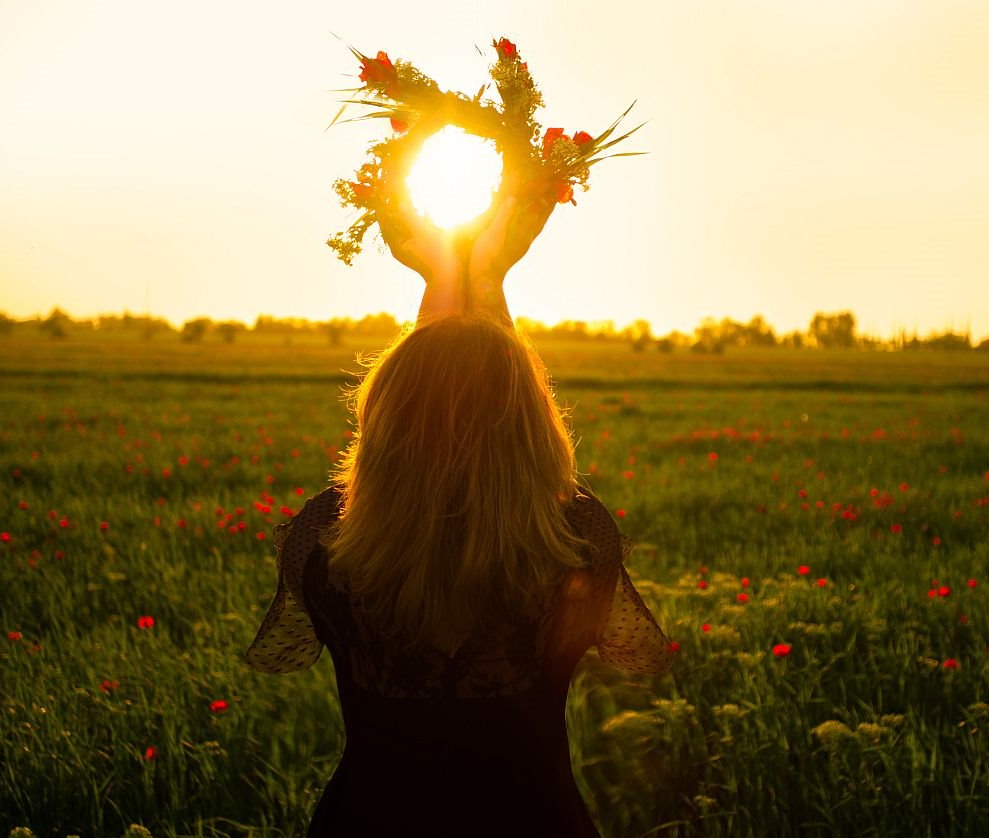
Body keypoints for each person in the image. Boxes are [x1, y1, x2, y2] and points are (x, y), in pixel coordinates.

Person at [244, 169, 671, 836]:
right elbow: (489, 410)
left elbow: (434, 404)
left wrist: (445, 272)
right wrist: (487, 275)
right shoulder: (575, 539)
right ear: (533, 422)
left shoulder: (325, 540)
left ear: (381, 423)